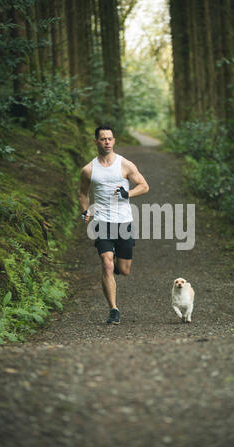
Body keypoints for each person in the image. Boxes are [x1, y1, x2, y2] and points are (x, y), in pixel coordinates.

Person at [79, 125, 149, 324]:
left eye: (110, 139)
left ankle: (117, 263)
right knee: (107, 265)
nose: (107, 142)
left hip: (124, 221)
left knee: (124, 270)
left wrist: (128, 193)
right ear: (96, 142)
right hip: (102, 221)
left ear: (114, 140)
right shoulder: (88, 170)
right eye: (103, 139)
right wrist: (85, 210)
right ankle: (113, 309)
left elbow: (144, 186)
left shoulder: (125, 165)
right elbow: (82, 194)